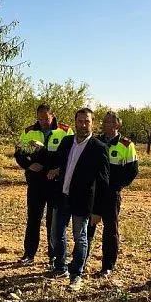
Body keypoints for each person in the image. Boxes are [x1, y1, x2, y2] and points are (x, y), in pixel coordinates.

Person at [48, 108, 110, 291]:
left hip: (83, 202)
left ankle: (76, 274)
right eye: (80, 121)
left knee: (80, 237)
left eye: (87, 121)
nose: (83, 124)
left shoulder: (99, 148)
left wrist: (98, 211)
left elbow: (103, 183)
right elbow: (58, 161)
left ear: (93, 123)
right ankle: (60, 267)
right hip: (62, 197)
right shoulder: (67, 142)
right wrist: (56, 169)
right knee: (56, 234)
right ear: (75, 122)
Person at [14, 104, 73, 267]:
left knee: (53, 221)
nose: (43, 122)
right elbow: (19, 154)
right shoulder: (29, 131)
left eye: (46, 118)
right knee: (33, 218)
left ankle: (53, 256)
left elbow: (71, 155)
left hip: (55, 183)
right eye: (40, 118)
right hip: (36, 182)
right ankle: (29, 254)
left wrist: (59, 169)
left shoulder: (65, 131)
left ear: (52, 115)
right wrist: (28, 165)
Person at [85, 111, 138, 278]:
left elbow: (132, 171)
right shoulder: (95, 141)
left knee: (110, 230)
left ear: (117, 124)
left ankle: (107, 266)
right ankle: (82, 260)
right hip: (94, 193)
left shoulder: (126, 145)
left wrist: (116, 187)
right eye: (105, 121)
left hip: (111, 194)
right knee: (88, 228)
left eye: (110, 121)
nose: (107, 124)